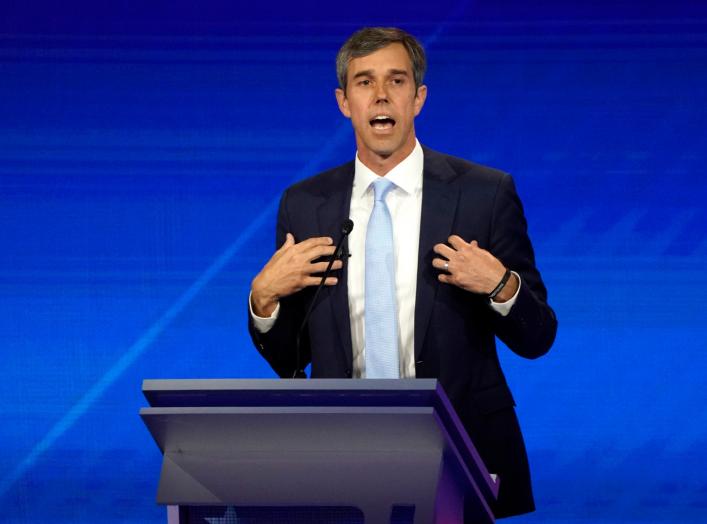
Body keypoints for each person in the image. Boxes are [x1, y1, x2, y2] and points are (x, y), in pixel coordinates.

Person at [248, 27, 557, 519]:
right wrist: (263, 303)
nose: (381, 95)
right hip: (341, 457)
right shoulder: (305, 204)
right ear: (344, 101)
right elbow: (293, 359)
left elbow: (538, 337)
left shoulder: (484, 194)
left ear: (419, 97)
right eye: (364, 82)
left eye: (396, 80)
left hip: (460, 455)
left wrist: (500, 285)